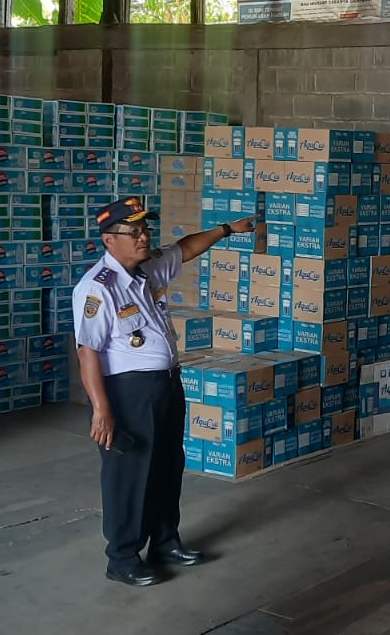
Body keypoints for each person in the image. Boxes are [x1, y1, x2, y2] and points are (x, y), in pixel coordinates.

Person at [72, 196, 256, 586]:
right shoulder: (97, 288)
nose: (144, 237)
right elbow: (87, 352)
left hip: (166, 385)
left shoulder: (149, 268)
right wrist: (101, 410)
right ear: (109, 239)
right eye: (133, 232)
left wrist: (227, 230)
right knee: (129, 475)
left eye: (145, 229)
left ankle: (165, 542)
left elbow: (185, 248)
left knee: (167, 466)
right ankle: (122, 557)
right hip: (128, 393)